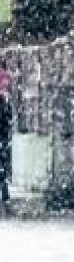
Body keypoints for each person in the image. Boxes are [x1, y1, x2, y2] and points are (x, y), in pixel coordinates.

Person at [0, 64, 13, 210]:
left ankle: (4, 191)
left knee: (2, 164)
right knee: (3, 164)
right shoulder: (4, 103)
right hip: (3, 136)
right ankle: (4, 192)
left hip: (2, 136)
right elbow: (8, 119)